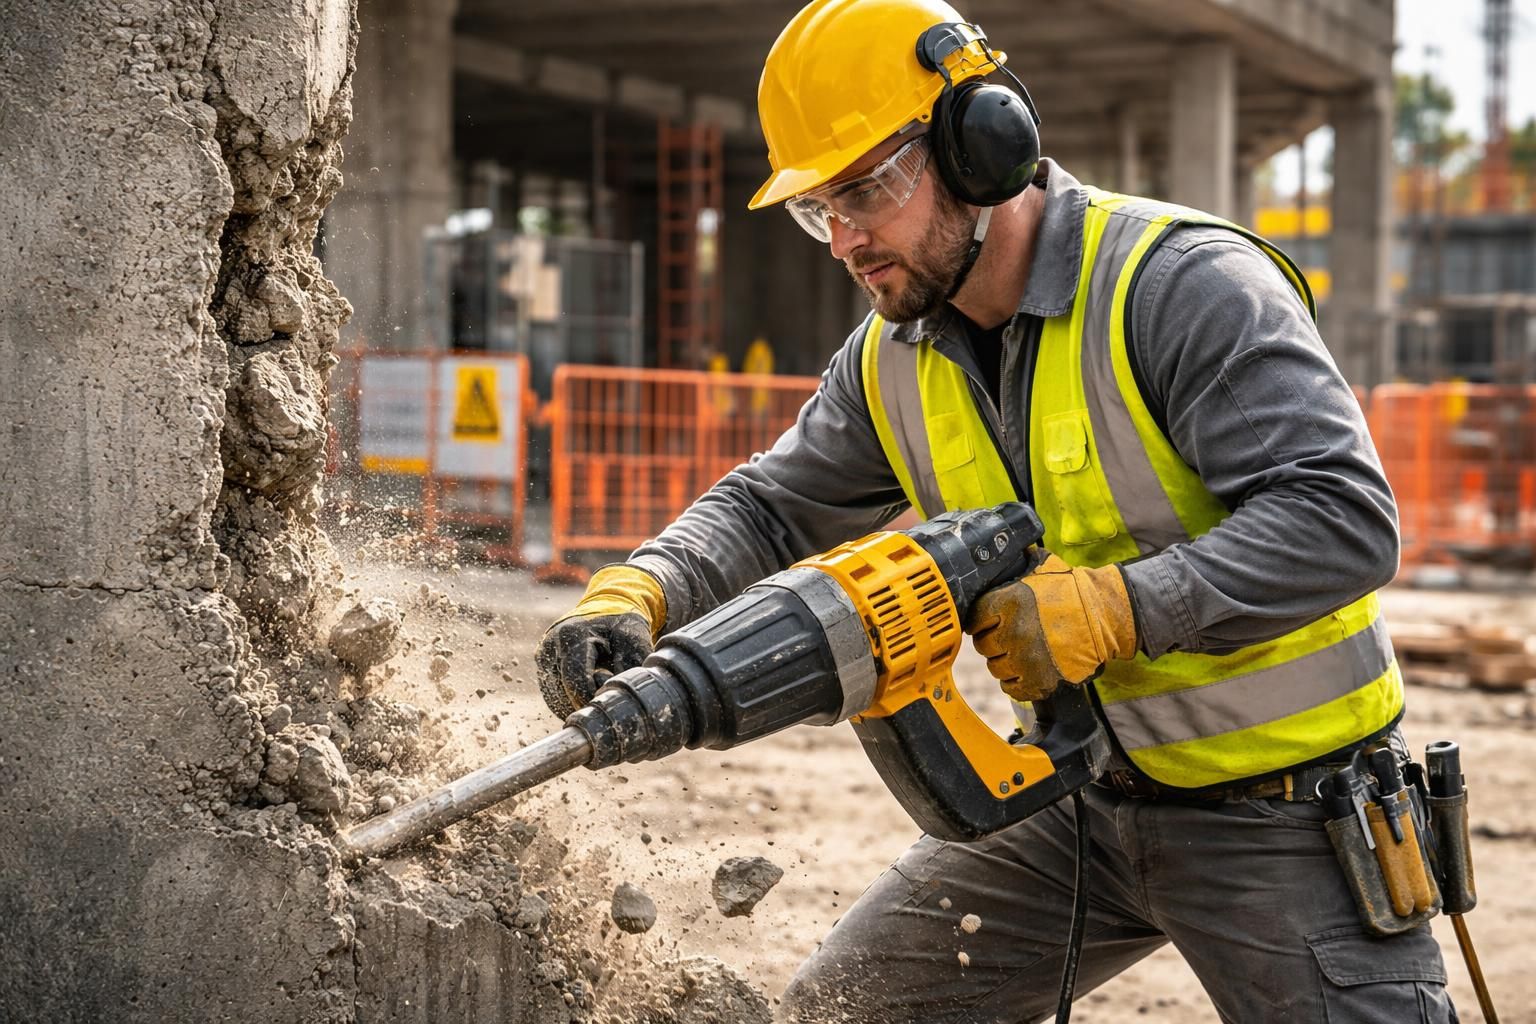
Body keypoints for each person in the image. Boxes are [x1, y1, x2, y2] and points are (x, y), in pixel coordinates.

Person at [536, 1, 1456, 1020]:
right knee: (845, 1011)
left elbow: (1343, 517)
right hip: (1074, 803)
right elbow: (767, 506)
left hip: (1287, 814)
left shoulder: (1181, 288)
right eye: (816, 208)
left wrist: (1117, 608)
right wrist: (641, 587)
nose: (843, 239)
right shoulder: (894, 357)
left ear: (983, 148)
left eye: (865, 191)